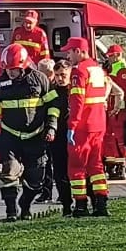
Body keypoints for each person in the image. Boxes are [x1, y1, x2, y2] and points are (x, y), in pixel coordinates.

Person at [0, 43, 55, 221]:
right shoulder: (1, 83)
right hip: (10, 136)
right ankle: (11, 210)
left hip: (35, 136)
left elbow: (53, 105)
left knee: (36, 180)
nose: (10, 73)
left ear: (24, 65)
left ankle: (25, 205)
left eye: (13, 69)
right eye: (7, 69)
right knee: (9, 173)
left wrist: (51, 126)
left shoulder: (40, 79)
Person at [62, 38, 111, 217]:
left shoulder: (79, 71)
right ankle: (101, 204)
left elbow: (77, 102)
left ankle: (80, 205)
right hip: (98, 124)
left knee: (76, 166)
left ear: (78, 51)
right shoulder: (97, 69)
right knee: (96, 165)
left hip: (83, 126)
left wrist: (72, 126)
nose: (68, 56)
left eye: (70, 52)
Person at [42, 59, 74, 216]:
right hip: (58, 136)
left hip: (76, 135)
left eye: (63, 75)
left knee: (78, 171)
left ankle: (86, 202)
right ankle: (66, 205)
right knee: (60, 172)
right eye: (57, 75)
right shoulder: (52, 93)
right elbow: (47, 112)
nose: (60, 78)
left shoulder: (76, 90)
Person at [101, 43, 126, 181]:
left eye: (110, 56)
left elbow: (120, 91)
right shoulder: (114, 67)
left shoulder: (123, 69)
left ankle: (121, 167)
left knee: (118, 139)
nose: (108, 58)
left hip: (118, 109)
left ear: (117, 55)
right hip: (112, 108)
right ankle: (111, 166)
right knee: (109, 138)